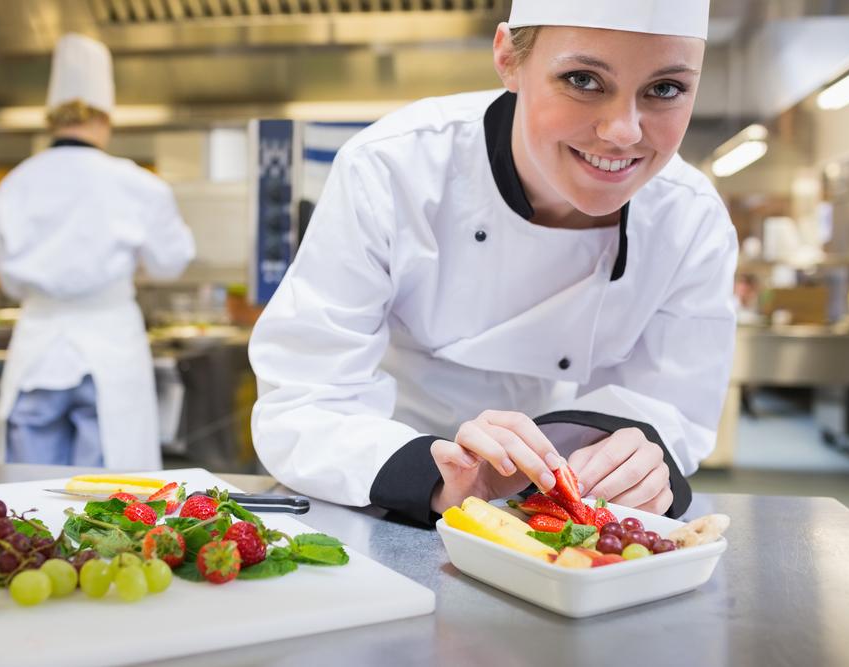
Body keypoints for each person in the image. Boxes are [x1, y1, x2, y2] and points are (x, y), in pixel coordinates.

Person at [248, 0, 737, 525]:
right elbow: (304, 398)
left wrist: (635, 465)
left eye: (665, 89)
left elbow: (674, 408)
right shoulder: (394, 169)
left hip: (572, 509)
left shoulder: (691, 220)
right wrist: (436, 476)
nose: (623, 131)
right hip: (384, 490)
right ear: (508, 58)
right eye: (583, 79)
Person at [0, 34, 196, 470]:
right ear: (105, 118)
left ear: (51, 118)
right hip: (109, 343)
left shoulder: (15, 183)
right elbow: (171, 263)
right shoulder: (135, 183)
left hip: (37, 346)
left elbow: (6, 278)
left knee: (28, 494)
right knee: (106, 498)